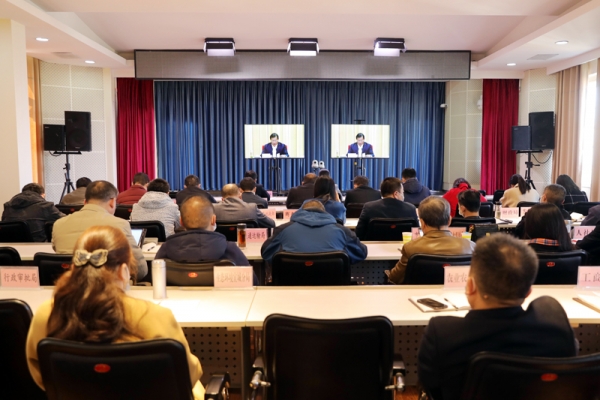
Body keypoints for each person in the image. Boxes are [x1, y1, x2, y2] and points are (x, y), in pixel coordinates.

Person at [26, 226, 205, 399]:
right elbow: (188, 374)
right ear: (124, 271)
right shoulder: (155, 316)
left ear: (73, 268)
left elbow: (40, 373)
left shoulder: (47, 313)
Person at [418, 234, 577, 400]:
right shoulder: (556, 332)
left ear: (470, 285)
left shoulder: (442, 334)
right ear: (528, 291)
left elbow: (431, 387)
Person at [52, 181, 147, 280]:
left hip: (69, 285)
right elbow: (140, 269)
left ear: (85, 202)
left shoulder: (59, 224)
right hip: (107, 285)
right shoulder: (120, 224)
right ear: (112, 202)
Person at [388, 196, 475, 284]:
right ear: (449, 220)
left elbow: (394, 278)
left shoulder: (410, 247)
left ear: (422, 223)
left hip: (419, 292)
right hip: (457, 293)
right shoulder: (471, 246)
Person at [156, 196, 253, 269]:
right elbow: (252, 280)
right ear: (213, 220)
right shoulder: (229, 248)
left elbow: (154, 278)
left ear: (181, 221)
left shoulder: (166, 248)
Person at [261, 200, 367, 264]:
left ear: (300, 211)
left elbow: (265, 252)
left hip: (290, 288)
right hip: (334, 289)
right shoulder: (343, 231)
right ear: (324, 213)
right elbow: (361, 252)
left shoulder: (282, 230)